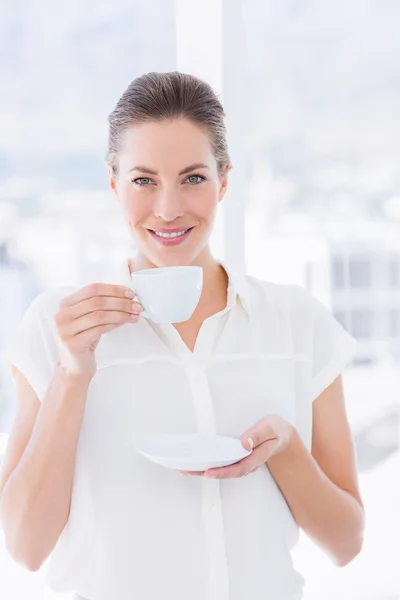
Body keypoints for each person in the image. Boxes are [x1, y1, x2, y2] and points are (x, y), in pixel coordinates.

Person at [0, 72, 365, 600]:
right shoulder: (56, 326)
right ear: (113, 183)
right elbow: (25, 547)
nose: (168, 209)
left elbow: (347, 541)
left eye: (192, 178)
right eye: (144, 180)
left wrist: (285, 449)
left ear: (223, 181)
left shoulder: (295, 322)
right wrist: (73, 374)